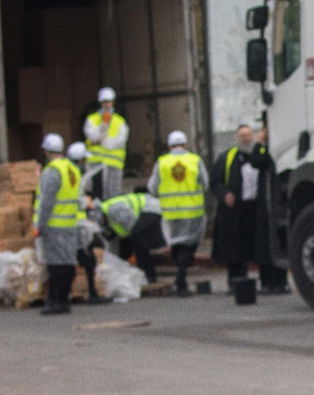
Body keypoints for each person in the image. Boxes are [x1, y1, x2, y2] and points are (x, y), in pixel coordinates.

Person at [210, 123, 288, 295]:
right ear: (237, 138)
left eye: (248, 135)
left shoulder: (260, 154)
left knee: (261, 247)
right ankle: (236, 282)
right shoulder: (227, 157)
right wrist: (225, 195)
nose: (246, 138)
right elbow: (215, 182)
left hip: (258, 208)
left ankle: (270, 282)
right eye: (242, 136)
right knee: (235, 249)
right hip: (236, 210)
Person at [148, 129, 208, 296]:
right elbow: (205, 183)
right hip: (193, 211)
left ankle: (180, 280)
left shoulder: (162, 162)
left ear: (169, 145)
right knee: (189, 244)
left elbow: (152, 187)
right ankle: (181, 279)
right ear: (185, 144)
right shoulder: (195, 160)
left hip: (171, 213)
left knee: (176, 244)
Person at [32, 133, 81, 315]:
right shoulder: (71, 169)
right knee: (67, 262)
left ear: (46, 151)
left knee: (55, 264)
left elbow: (46, 202)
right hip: (69, 223)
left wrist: (39, 226)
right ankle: (63, 299)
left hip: (54, 224)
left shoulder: (52, 171)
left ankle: (56, 300)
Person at [66, 141, 109, 305]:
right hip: (75, 223)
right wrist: (87, 203)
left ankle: (90, 291)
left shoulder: (72, 172)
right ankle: (88, 292)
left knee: (86, 258)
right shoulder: (73, 174)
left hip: (76, 223)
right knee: (84, 259)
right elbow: (74, 198)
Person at [94, 187, 166, 283]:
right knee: (132, 241)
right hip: (146, 211)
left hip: (151, 207)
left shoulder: (113, 209)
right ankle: (145, 273)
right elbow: (122, 238)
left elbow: (132, 225)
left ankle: (148, 275)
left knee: (138, 239)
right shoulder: (109, 216)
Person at [251, 126, 289, 293]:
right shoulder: (264, 152)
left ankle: (280, 281)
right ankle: (267, 282)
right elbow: (256, 161)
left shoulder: (279, 153)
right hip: (265, 207)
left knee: (279, 242)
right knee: (264, 246)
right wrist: (259, 143)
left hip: (276, 205)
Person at [84, 86, 129, 200]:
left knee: (113, 197)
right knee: (96, 195)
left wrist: (102, 142)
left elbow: (121, 141)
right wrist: (104, 125)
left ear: (113, 102)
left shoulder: (120, 121)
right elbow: (93, 137)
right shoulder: (92, 119)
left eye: (109, 102)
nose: (107, 105)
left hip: (114, 165)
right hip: (96, 165)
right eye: (104, 102)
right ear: (100, 103)